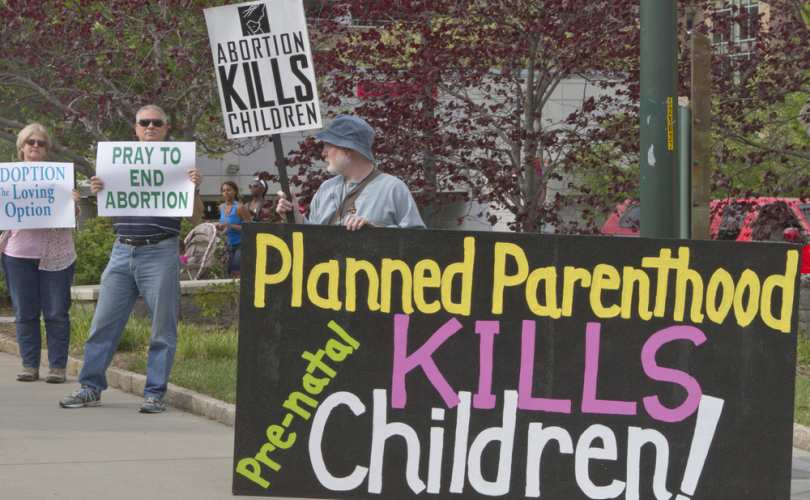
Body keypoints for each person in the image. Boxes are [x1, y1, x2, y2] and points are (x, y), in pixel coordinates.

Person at [59, 104, 203, 413]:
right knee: (103, 324)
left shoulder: (180, 167)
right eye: (144, 122)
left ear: (166, 128)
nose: (150, 127)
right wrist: (98, 189)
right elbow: (108, 203)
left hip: (160, 251)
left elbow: (195, 217)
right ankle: (90, 388)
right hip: (122, 250)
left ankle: (154, 394)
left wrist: (194, 189)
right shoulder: (118, 163)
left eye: (157, 122)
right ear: (135, 129)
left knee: (162, 329)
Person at [0, 123, 79, 383]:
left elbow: (71, 217)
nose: (35, 146)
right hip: (18, 254)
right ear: (21, 147)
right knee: (25, 312)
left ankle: (57, 367)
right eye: (30, 142)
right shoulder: (7, 178)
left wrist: (73, 203)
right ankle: (29, 366)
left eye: (41, 143)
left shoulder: (60, 178)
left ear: (47, 149)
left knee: (56, 312)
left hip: (57, 254)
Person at [276, 115, 425, 229]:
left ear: (348, 149)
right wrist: (295, 216)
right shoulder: (326, 189)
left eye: (328, 145)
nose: (323, 153)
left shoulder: (393, 189)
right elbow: (314, 241)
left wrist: (378, 234)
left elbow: (420, 243)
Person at [217, 181, 250, 277]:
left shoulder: (240, 207)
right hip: (228, 245)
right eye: (223, 191)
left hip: (241, 244)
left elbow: (249, 228)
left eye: (228, 190)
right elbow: (225, 228)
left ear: (235, 191)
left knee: (236, 271)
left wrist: (230, 225)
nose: (226, 193)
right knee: (227, 272)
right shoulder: (221, 207)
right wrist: (219, 228)